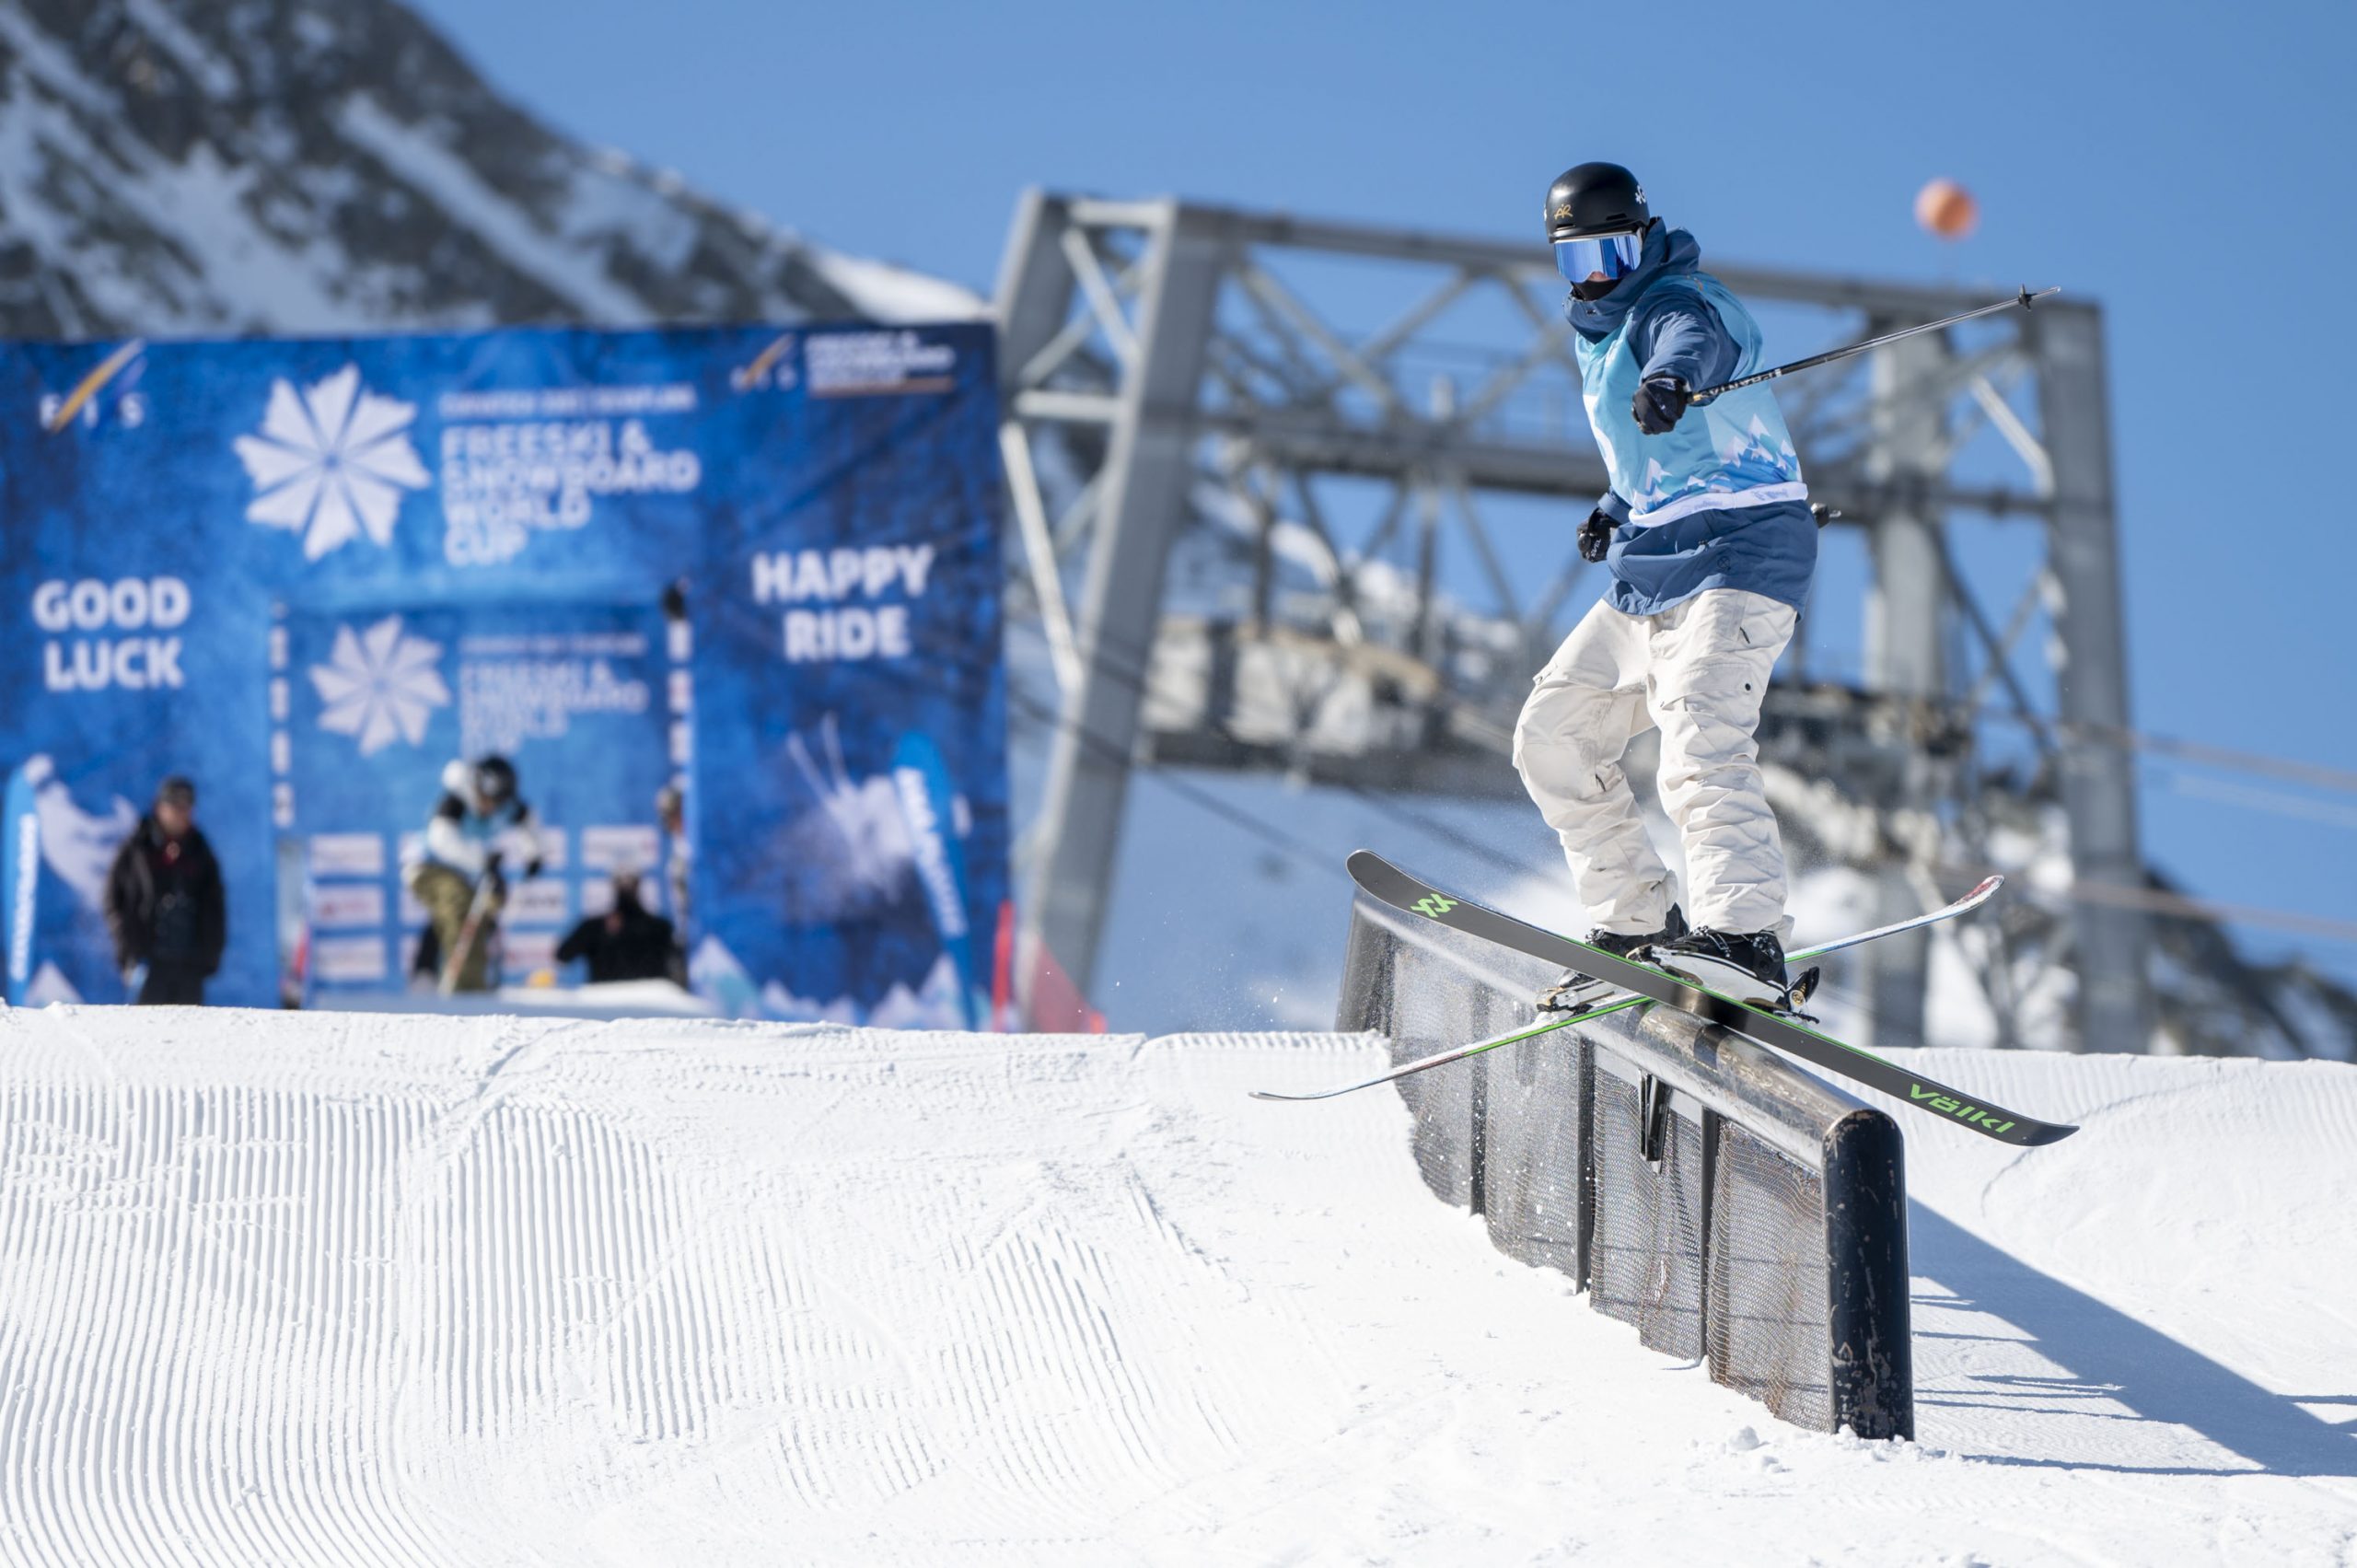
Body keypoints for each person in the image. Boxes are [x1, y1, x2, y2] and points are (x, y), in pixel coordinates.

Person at [1514, 163, 1817, 1005]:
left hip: (1738, 555)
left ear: (1642, 235)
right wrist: (1616, 504)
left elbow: (1695, 344)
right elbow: (1658, 451)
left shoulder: (1675, 302)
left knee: (1699, 734)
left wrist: (1670, 377)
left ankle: (1746, 935)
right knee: (1553, 733)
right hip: (1653, 562)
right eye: (1579, 263)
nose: (1601, 275)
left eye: (1611, 251)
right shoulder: (1599, 337)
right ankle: (1638, 922)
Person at [404, 755, 544, 993]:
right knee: (459, 903)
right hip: (427, 867)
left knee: (487, 909)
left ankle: (447, 975)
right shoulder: (456, 800)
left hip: (471, 871)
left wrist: (534, 854)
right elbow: (442, 841)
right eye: (486, 799)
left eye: (497, 802)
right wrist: (482, 862)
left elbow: (527, 819)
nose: (490, 807)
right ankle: (464, 989)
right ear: (476, 785)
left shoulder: (506, 805)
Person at [103, 775, 226, 1005]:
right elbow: (113, 901)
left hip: (189, 965)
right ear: (159, 807)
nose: (181, 813)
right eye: (175, 806)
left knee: (191, 1034)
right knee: (146, 1033)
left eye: (186, 807)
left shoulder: (201, 852)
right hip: (148, 962)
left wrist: (210, 955)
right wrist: (128, 949)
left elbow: (215, 906)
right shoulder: (137, 848)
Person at [555, 869, 680, 984]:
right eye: (622, 883)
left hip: (650, 1002)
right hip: (607, 1003)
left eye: (629, 882)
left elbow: (678, 964)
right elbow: (563, 955)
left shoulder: (659, 927)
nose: (626, 887)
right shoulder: (594, 926)